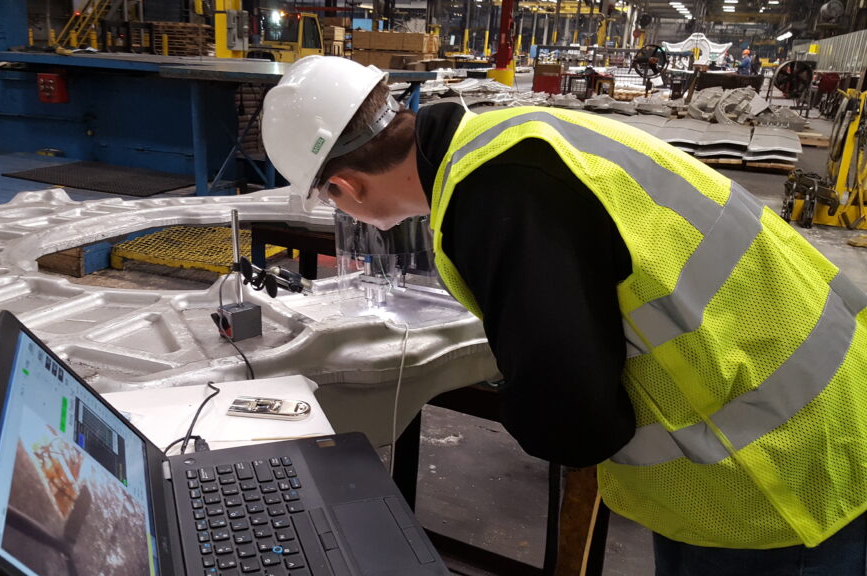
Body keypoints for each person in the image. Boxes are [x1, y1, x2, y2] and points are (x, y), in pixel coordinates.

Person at [261, 55, 867, 575]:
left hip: (777, 478)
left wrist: (520, 379)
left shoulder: (492, 197)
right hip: (808, 421)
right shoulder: (511, 138)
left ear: (347, 189)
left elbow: (575, 424)